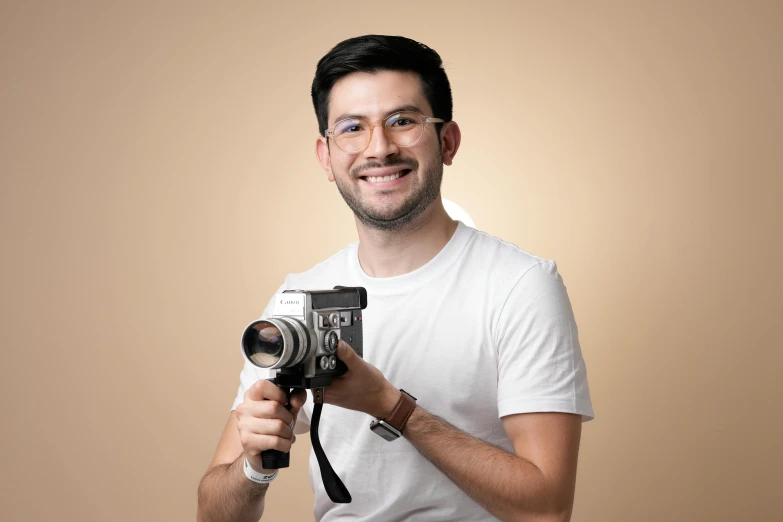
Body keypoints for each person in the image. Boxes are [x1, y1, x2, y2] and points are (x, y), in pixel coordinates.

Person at [197, 35, 594, 522]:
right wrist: (255, 467)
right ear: (326, 156)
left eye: (403, 121)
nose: (379, 149)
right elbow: (213, 513)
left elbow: (547, 510)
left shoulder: (519, 286)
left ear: (446, 141)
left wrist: (389, 405)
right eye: (352, 128)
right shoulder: (296, 299)